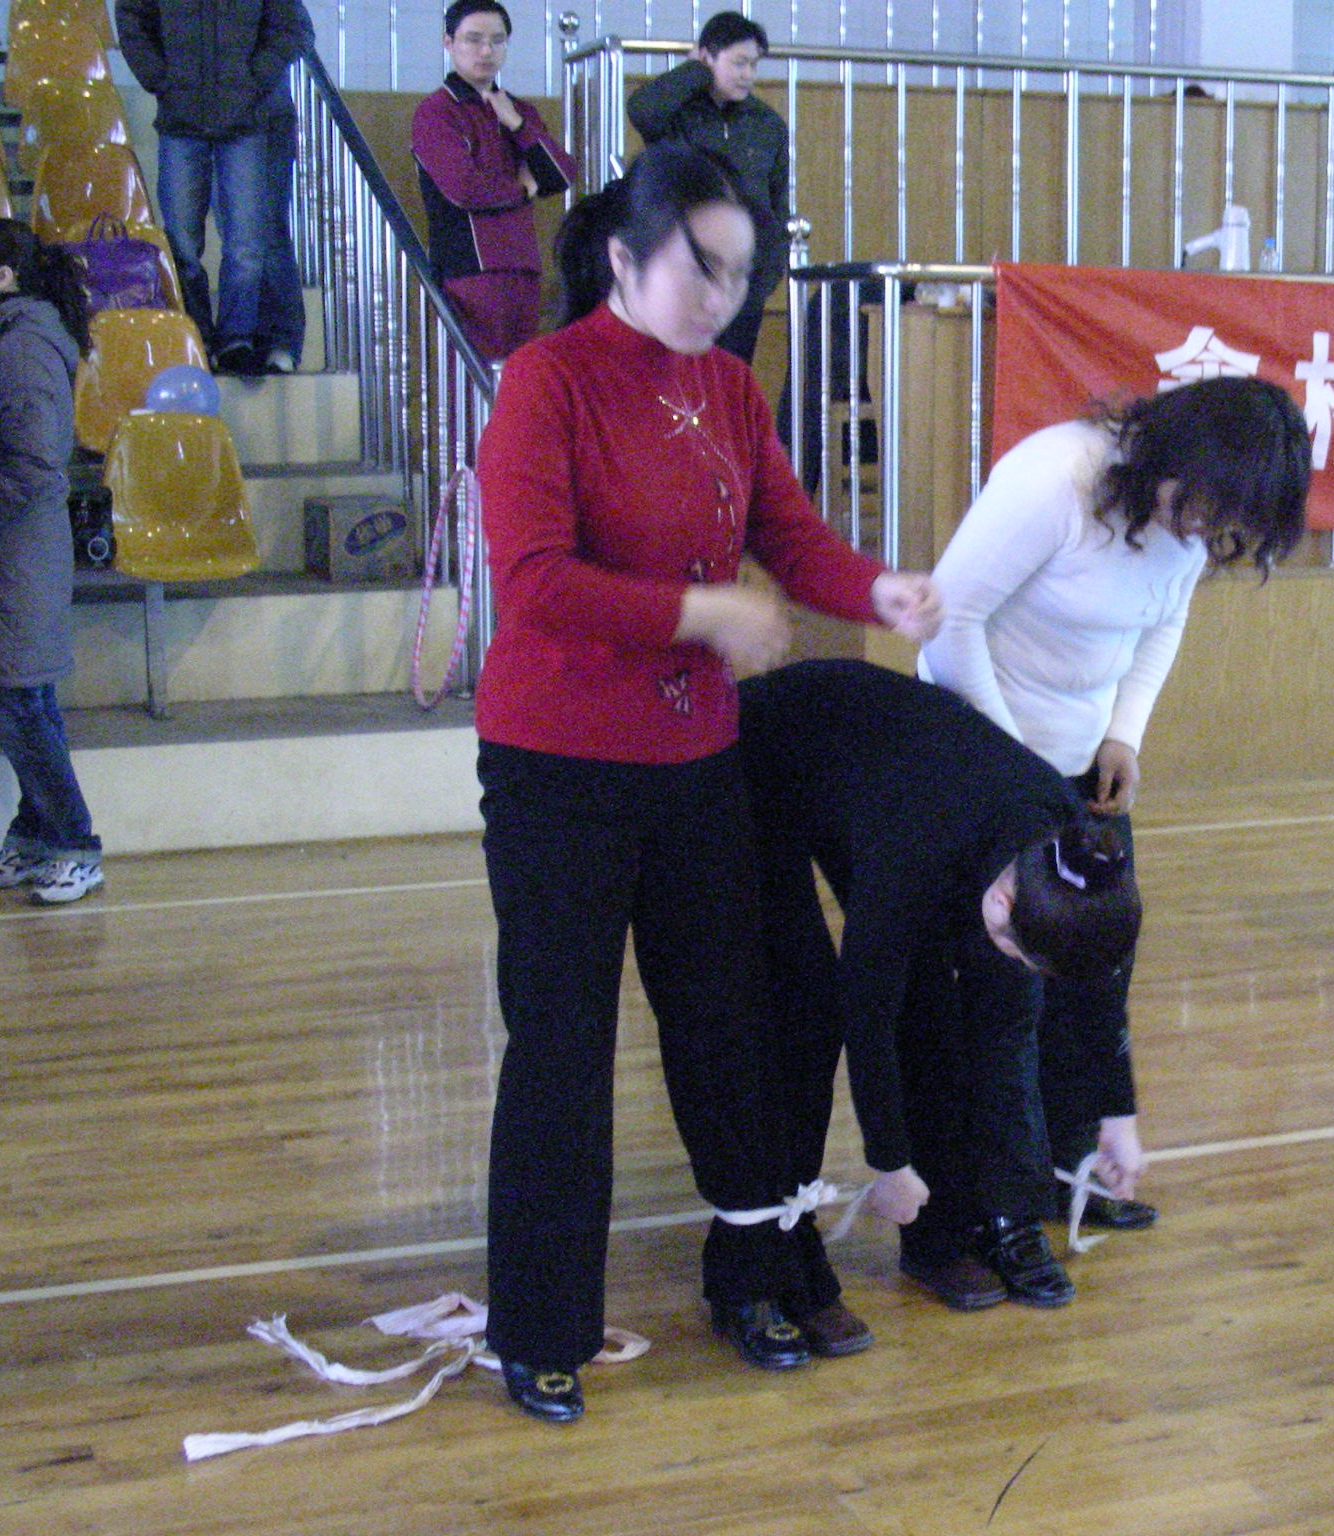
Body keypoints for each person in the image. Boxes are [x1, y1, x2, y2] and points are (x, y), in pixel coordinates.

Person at [472, 142, 941, 1422]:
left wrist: (876, 590)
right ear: (625, 257)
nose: (724, 295)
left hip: (693, 766)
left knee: (729, 1030)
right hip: (557, 769)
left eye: (742, 273)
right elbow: (536, 583)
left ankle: (751, 1273)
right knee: (560, 1046)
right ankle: (541, 1325)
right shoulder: (546, 381)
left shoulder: (729, 388)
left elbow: (785, 531)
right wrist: (704, 616)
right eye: (703, 267)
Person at [917, 377, 1309, 1236]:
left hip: (1075, 766)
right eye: (1206, 505)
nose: (1207, 530)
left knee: (1092, 974)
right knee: (1003, 995)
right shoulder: (1057, 477)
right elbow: (948, 619)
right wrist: (1011, 762)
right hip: (978, 751)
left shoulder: (1191, 522)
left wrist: (1123, 734)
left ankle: (1069, 1173)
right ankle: (986, 1212)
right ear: (1173, 454)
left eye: (1231, 521)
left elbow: (1162, 622)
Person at [739, 659, 1143, 1320]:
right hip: (761, 760)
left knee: (946, 1010)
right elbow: (866, 1010)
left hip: (881, 779)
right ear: (1005, 897)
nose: (1013, 960)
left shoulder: (1065, 839)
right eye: (1015, 945)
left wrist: (1116, 1118)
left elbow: (1096, 987)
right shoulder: (916, 849)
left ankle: (939, 1235)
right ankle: (774, 1252)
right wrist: (888, 1164)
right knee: (806, 1008)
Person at [0, 220, 104, 906]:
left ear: (3, 277)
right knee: (24, 703)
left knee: (22, 708)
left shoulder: (21, 346)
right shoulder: (5, 339)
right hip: (4, 553)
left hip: (14, 556)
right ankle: (33, 837)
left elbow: (32, 463)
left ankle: (76, 845)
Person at [116, 0, 314, 376]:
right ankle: (196, 337)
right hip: (180, 120)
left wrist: (251, 81)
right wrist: (160, 79)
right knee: (181, 242)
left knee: (246, 245)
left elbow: (289, 27)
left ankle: (236, 339)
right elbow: (132, 18)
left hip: (245, 122)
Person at [412, 0, 577, 363]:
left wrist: (517, 124)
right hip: (468, 270)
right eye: (473, 39)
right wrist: (523, 188)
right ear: (449, 43)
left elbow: (562, 175)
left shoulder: (519, 109)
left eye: (497, 40)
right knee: (477, 380)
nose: (486, 51)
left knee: (519, 378)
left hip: (523, 266)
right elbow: (465, 188)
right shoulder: (436, 111)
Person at [627, 12, 789, 364]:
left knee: (731, 370)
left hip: (744, 275)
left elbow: (777, 202)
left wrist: (768, 271)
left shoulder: (767, 124)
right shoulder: (678, 114)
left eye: (753, 65)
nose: (748, 74)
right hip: (686, 264)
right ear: (706, 57)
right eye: (739, 63)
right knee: (678, 368)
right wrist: (694, 72)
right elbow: (641, 110)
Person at [256, 64, 309, 374]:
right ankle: (241, 338)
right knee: (243, 237)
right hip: (203, 108)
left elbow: (295, 37)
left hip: (264, 109)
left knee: (267, 230)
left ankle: (281, 340)